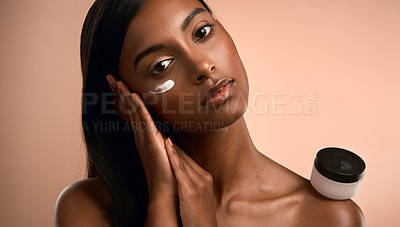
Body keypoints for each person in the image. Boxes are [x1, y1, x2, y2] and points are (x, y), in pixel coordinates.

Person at [55, 0, 365, 226]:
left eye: (202, 32)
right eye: (161, 65)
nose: (203, 66)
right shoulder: (86, 210)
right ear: (126, 103)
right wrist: (162, 199)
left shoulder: (326, 217)